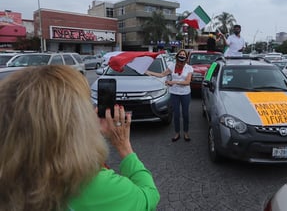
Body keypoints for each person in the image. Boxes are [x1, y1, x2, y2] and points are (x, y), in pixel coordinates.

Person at [0, 65, 160, 211]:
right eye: (86, 106)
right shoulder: (91, 185)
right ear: (74, 123)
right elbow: (149, 196)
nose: (92, 111)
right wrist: (123, 145)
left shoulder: (10, 181)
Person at [146, 49, 193, 142]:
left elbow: (187, 82)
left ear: (186, 57)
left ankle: (186, 132)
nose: (182, 56)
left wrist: (174, 82)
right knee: (176, 114)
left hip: (185, 94)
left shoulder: (189, 68)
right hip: (174, 94)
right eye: (180, 54)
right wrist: (149, 72)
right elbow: (161, 74)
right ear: (177, 56)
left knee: (185, 114)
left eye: (184, 54)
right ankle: (177, 133)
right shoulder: (172, 66)